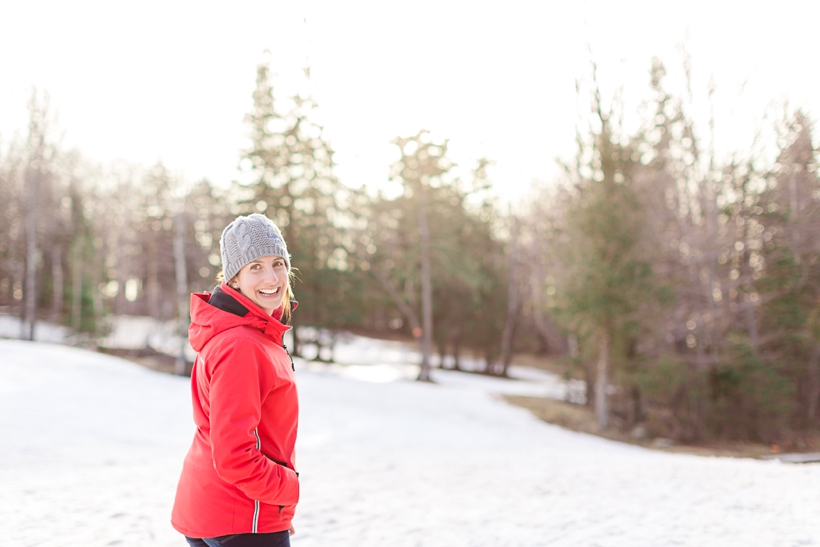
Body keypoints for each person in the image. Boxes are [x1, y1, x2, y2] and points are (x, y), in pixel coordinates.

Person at [172, 214, 300, 547]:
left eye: (278, 263)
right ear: (235, 279)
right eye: (255, 267)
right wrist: (286, 491)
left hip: (222, 509)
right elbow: (235, 455)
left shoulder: (248, 334)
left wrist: (277, 510)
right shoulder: (242, 344)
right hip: (241, 514)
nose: (272, 277)